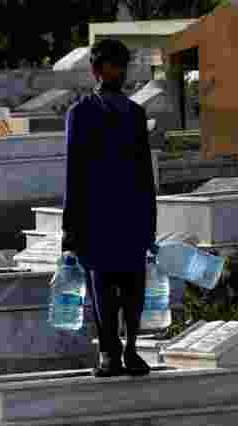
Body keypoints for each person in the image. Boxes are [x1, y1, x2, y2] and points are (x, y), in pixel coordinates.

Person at [61, 39, 157, 378]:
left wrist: (149, 224)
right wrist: (70, 226)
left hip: (131, 214)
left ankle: (130, 349)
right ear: (96, 70)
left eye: (122, 66)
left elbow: (146, 173)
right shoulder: (81, 113)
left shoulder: (134, 114)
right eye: (111, 66)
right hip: (95, 216)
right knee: (101, 288)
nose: (118, 72)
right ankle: (108, 351)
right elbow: (74, 171)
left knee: (133, 287)